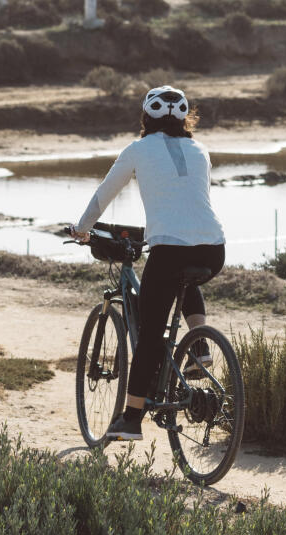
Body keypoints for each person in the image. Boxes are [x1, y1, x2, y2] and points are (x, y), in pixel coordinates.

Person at [72, 85, 227, 442]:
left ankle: (130, 420)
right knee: (184, 280)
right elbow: (189, 203)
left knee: (150, 334)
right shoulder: (200, 150)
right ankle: (199, 346)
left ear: (146, 116)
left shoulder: (138, 149)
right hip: (213, 248)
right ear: (186, 117)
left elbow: (105, 193)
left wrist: (83, 229)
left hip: (170, 249)